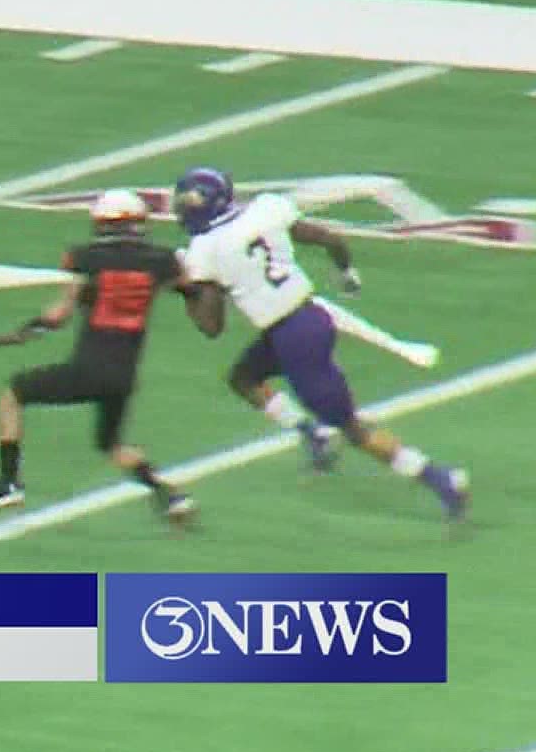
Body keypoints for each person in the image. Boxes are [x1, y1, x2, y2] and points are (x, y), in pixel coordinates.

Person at [174, 166, 471, 521]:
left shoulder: (205, 248)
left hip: (293, 338)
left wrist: (186, 287)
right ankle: (311, 433)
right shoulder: (266, 209)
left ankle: (440, 478)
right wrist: (347, 274)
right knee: (243, 378)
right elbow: (330, 239)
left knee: (354, 430)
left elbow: (211, 327)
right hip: (310, 318)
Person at [0, 190, 198, 526]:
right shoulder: (162, 261)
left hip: (89, 368)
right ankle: (167, 494)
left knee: (13, 393)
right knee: (111, 443)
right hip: (124, 375)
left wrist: (24, 331)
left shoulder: (88, 258)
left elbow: (59, 313)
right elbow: (191, 287)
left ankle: (8, 482)